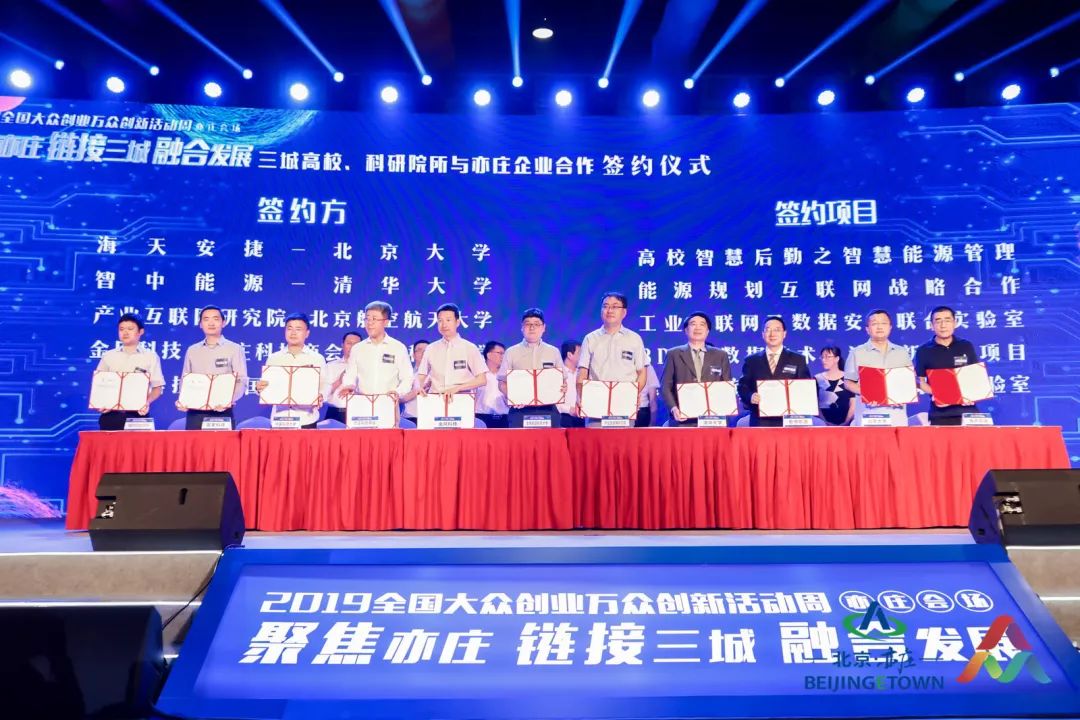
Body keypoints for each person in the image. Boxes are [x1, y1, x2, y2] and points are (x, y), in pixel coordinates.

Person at [575, 292, 646, 421]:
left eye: (615, 306)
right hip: (596, 403)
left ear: (624, 312)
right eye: (606, 306)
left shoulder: (634, 339)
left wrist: (634, 393)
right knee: (595, 434)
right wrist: (580, 396)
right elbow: (582, 371)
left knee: (623, 435)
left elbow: (641, 372)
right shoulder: (590, 338)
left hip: (624, 402)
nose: (610, 310)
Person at [176, 305, 249, 430]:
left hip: (222, 411)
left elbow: (241, 380)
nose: (211, 323)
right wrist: (183, 400)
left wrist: (228, 400)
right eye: (206, 319)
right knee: (195, 443)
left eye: (215, 319)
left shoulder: (234, 349)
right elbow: (185, 379)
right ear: (200, 324)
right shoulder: (192, 350)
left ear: (223, 323)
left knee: (222, 443)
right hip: (195, 412)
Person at [338, 302, 414, 417]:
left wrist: (398, 392)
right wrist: (349, 385)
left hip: (388, 406)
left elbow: (407, 377)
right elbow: (350, 374)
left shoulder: (398, 348)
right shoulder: (358, 348)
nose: (370, 323)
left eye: (374, 319)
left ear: (386, 322)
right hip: (362, 407)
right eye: (367, 319)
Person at [914, 305, 984, 426]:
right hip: (940, 414)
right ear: (931, 325)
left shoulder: (966, 346)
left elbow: (975, 375)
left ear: (955, 323)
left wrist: (972, 394)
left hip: (968, 411)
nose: (943, 325)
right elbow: (918, 381)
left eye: (947, 320)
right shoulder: (923, 351)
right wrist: (938, 394)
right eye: (938, 321)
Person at [93, 313, 165, 430]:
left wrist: (146, 402)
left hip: (137, 415)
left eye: (130, 329)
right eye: (121, 329)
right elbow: (99, 384)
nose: (125, 332)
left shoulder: (150, 357)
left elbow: (158, 388)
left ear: (140, 332)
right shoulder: (108, 356)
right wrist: (101, 403)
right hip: (111, 415)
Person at [737, 315, 811, 427]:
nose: (772, 334)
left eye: (777, 330)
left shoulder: (798, 360)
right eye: (768, 330)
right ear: (763, 334)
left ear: (784, 334)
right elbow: (742, 387)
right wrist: (750, 396)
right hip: (760, 420)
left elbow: (805, 388)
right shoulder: (751, 360)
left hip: (789, 420)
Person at [497, 308, 566, 428]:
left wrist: (563, 387)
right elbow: (502, 383)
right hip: (520, 410)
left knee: (549, 440)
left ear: (544, 328)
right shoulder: (511, 352)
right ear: (522, 327)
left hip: (548, 408)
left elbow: (563, 380)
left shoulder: (553, 352)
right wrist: (514, 397)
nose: (532, 327)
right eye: (528, 324)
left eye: (536, 324)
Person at [661, 311, 733, 426]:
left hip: (712, 418)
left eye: (702, 324)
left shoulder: (720, 355)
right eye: (693, 324)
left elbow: (726, 386)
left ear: (707, 331)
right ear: (686, 330)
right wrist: (673, 408)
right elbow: (665, 386)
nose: (698, 327)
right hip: (683, 419)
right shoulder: (673, 354)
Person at [255, 312, 325, 429]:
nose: (293, 333)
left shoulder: (317, 358)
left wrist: (321, 396)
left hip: (306, 419)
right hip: (279, 418)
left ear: (307, 333)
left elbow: (324, 385)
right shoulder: (274, 358)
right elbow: (266, 388)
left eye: (298, 329)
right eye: (289, 328)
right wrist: (260, 388)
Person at [844, 309, 913, 427]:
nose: (879, 327)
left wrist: (903, 395)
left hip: (896, 413)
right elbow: (848, 382)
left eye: (884, 323)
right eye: (875, 323)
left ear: (890, 327)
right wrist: (869, 393)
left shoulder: (902, 352)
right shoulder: (857, 352)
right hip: (869, 413)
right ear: (867, 329)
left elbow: (909, 381)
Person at [415, 304, 487, 417]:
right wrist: (419, 387)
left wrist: (457, 388)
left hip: (461, 401)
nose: (444, 325)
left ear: (457, 322)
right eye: (440, 321)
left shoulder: (469, 348)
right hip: (435, 401)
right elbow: (421, 374)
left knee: (462, 429)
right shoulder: (431, 348)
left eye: (448, 320)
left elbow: (482, 380)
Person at [320, 330, 362, 424]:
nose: (352, 347)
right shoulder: (331, 366)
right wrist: (339, 381)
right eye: (349, 343)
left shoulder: (366, 368)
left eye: (356, 344)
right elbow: (323, 394)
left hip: (359, 413)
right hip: (335, 413)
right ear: (342, 345)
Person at [816, 345, 854, 426]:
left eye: (828, 357)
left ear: (837, 359)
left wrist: (846, 422)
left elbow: (853, 403)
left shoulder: (848, 377)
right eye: (822, 357)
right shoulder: (817, 378)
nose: (824, 360)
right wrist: (825, 422)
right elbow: (815, 404)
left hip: (847, 425)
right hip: (822, 425)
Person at [475, 341, 509, 428]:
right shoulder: (478, 376)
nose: (503, 357)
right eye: (500, 353)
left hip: (504, 418)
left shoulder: (507, 375)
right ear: (489, 355)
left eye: (504, 354)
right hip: (481, 418)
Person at [400, 339, 430, 420]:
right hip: (410, 417)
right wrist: (415, 392)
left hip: (432, 417)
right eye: (419, 350)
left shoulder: (437, 376)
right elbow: (398, 399)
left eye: (426, 351)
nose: (423, 353)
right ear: (413, 355)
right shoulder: (407, 375)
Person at [557, 340, 583, 428]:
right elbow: (553, 400)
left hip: (580, 417)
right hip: (563, 418)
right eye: (580, 353)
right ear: (569, 355)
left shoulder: (581, 374)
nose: (583, 357)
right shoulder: (558, 374)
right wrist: (569, 409)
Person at [637, 362, 660, 426]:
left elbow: (653, 401)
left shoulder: (648, 367)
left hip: (641, 411)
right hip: (641, 410)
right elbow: (653, 401)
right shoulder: (648, 367)